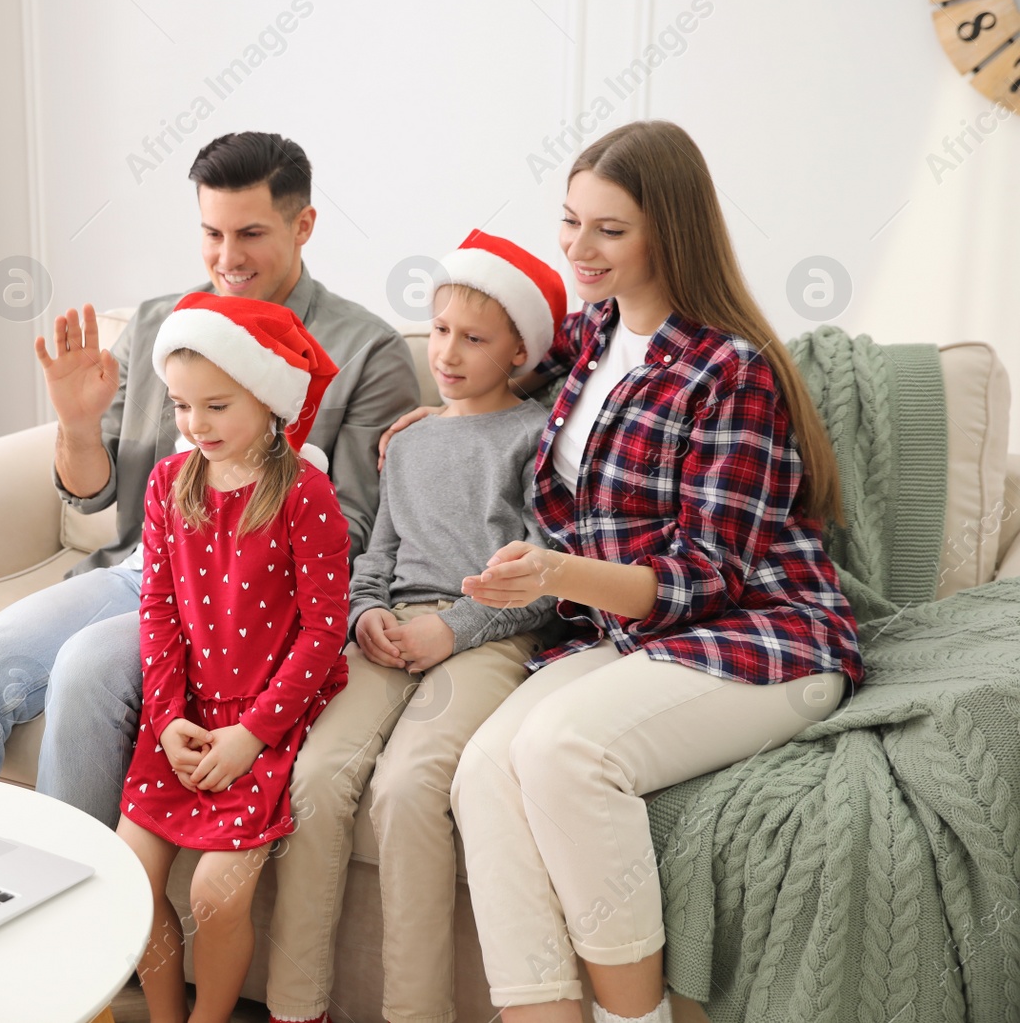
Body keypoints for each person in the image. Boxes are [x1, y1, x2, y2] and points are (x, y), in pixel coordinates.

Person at [384, 120, 863, 1023]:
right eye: (570, 221)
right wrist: (436, 415)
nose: (578, 248)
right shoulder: (589, 336)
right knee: (484, 769)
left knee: (559, 750)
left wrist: (556, 571)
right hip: (631, 633)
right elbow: (492, 361)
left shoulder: (733, 370)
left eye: (609, 229)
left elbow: (702, 576)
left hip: (763, 636)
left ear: (667, 232)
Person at [0, 132, 420, 829]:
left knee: (86, 668)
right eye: (212, 232)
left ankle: (69, 915)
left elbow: (352, 529)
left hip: (238, 602)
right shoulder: (158, 327)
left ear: (304, 225)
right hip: (138, 569)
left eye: (251, 233)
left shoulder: (365, 350)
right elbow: (91, 492)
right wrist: (78, 427)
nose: (227, 258)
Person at [312, 231, 564, 1023]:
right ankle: (297, 1003)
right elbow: (377, 552)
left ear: (520, 351)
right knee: (315, 778)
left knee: (408, 786)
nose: (447, 352)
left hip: (486, 635)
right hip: (390, 629)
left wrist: (452, 629)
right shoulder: (410, 439)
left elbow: (547, 583)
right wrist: (367, 613)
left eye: (475, 338)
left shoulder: (537, 438)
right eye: (442, 329)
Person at [117, 291, 351, 1023]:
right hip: (182, 716)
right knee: (128, 878)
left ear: (269, 400)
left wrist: (251, 734)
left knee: (215, 894)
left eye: (216, 406)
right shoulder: (167, 483)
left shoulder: (307, 497)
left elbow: (323, 630)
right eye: (183, 406)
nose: (195, 425)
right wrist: (165, 720)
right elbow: (155, 610)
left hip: (264, 720)